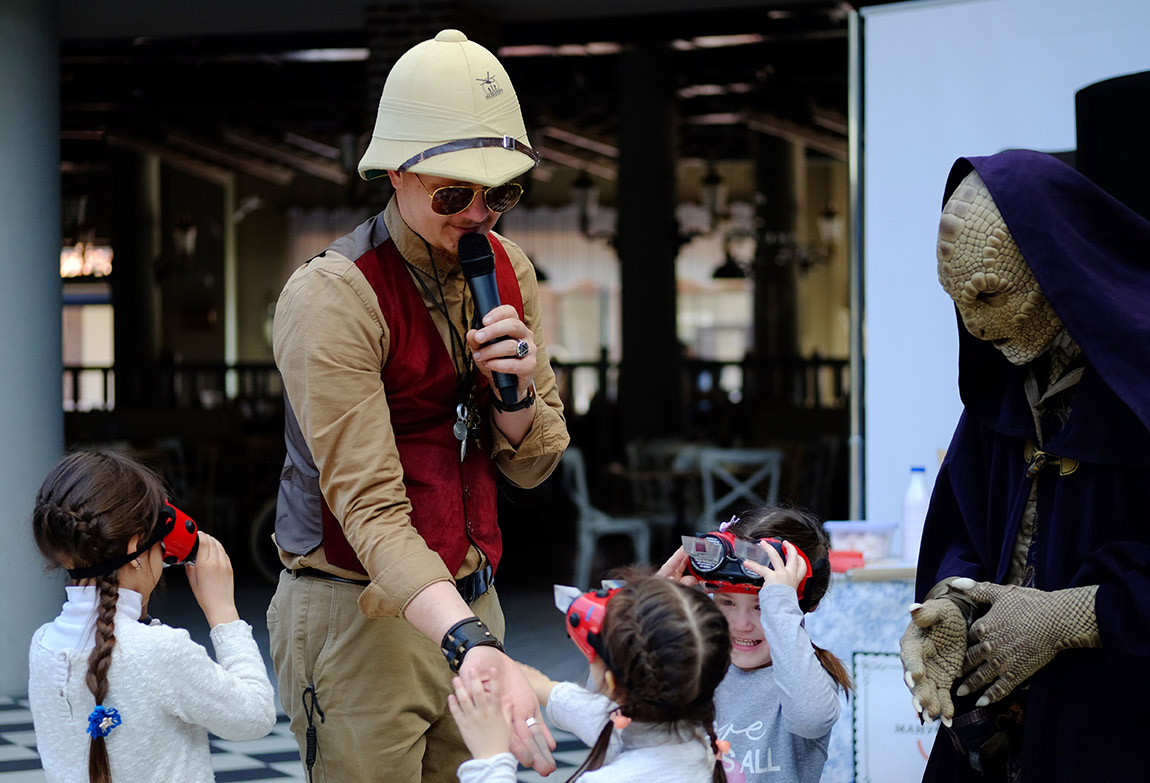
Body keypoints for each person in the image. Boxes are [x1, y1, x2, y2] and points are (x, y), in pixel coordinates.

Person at [267, 28, 569, 782]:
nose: (479, 214)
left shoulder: (509, 267)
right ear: (397, 173)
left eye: (500, 193)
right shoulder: (333, 293)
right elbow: (368, 506)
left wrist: (514, 394)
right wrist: (467, 640)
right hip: (357, 612)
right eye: (453, 193)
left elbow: (533, 468)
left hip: (474, 602)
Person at [899, 149, 1150, 781]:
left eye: (989, 294)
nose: (975, 326)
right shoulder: (1002, 389)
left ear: (1057, 266)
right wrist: (955, 604)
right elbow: (962, 528)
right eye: (958, 302)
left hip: (1118, 736)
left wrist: (1075, 617)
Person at [27, 450, 275, 783]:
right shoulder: (161, 650)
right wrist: (223, 613)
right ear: (135, 549)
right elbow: (255, 716)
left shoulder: (43, 645)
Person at [450, 574, 733, 782]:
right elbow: (595, 711)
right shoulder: (698, 741)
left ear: (610, 683)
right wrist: (533, 683)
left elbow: (606, 719)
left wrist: (490, 759)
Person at [660, 506, 852, 782]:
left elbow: (810, 720)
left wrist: (779, 603)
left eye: (761, 606)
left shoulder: (806, 679)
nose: (741, 624)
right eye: (726, 602)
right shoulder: (694, 666)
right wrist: (652, 614)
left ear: (797, 605)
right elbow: (617, 714)